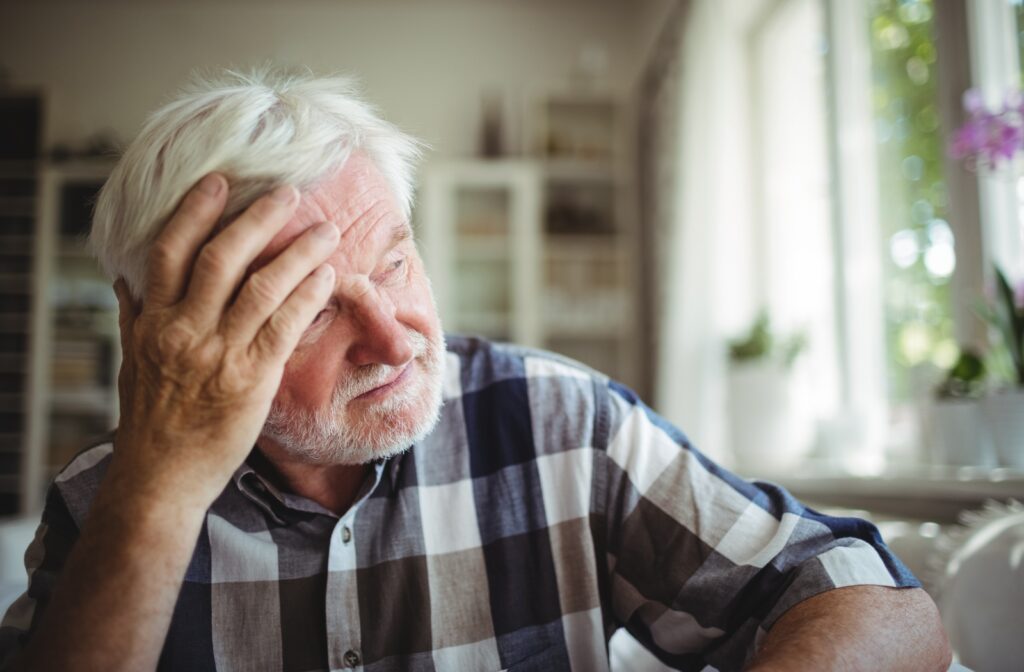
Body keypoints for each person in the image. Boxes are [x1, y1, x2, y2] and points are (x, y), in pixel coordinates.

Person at [0, 69, 950, 672]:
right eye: (314, 308)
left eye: (394, 262)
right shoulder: (104, 506)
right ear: (176, 340)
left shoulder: (558, 421)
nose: (396, 336)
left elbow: (867, 598)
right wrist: (159, 496)